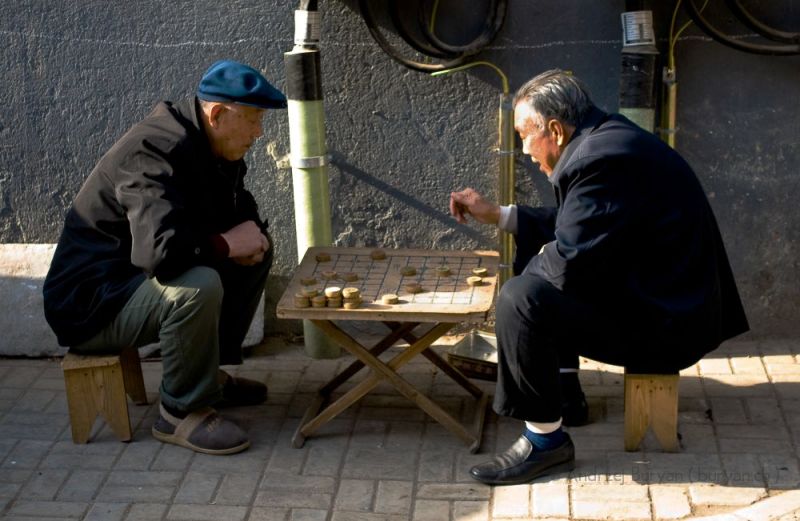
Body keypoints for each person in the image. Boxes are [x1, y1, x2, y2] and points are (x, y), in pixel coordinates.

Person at [449, 69, 749, 485]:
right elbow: (584, 224)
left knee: (522, 297)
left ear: (554, 130)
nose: (522, 149)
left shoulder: (597, 159)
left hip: (668, 324)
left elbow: (569, 259)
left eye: (523, 135)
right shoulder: (604, 138)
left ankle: (544, 444)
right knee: (535, 277)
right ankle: (564, 393)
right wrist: (500, 216)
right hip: (662, 298)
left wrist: (512, 326)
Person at [43, 60, 288, 455]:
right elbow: (160, 254)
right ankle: (179, 412)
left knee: (257, 247)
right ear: (219, 114)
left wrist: (248, 237)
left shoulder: (210, 145)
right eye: (254, 120)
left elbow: (234, 208)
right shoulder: (153, 151)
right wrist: (226, 245)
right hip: (91, 304)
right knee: (197, 286)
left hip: (129, 282)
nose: (259, 133)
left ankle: (206, 376)